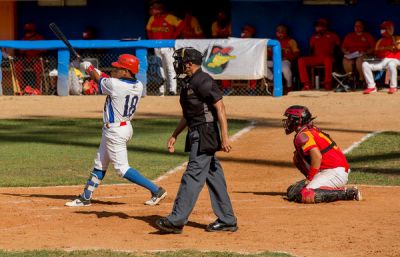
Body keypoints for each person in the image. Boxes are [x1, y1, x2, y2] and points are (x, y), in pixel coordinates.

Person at [65, 54, 167, 207]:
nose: (115, 69)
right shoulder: (138, 85)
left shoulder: (115, 85)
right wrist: (91, 68)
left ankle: (156, 190)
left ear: (126, 71)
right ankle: (85, 197)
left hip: (115, 131)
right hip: (122, 128)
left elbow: (100, 79)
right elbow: (106, 79)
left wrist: (89, 67)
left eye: (119, 68)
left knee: (122, 169)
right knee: (100, 163)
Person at [155, 47, 237, 234]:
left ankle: (176, 221)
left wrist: (225, 137)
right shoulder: (189, 82)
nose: (178, 64)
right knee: (214, 176)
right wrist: (175, 134)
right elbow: (188, 115)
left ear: (189, 63)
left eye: (180, 61)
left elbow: (220, 108)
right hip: (197, 132)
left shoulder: (203, 80)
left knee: (192, 175)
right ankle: (227, 220)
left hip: (204, 134)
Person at [283, 105, 362, 204]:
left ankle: (348, 193)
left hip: (335, 172)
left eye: (289, 118)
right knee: (297, 161)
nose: (287, 122)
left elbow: (317, 156)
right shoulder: (308, 131)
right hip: (329, 171)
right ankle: (322, 185)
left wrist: (309, 179)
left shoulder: (303, 136)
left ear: (298, 120)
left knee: (306, 194)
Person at [146, 0, 184, 96]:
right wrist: (152, 41)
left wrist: (173, 37)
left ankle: (172, 90)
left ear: (159, 9)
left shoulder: (169, 17)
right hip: (157, 46)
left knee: (170, 68)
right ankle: (162, 90)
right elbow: (148, 29)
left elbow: (181, 24)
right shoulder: (152, 18)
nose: (151, 10)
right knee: (160, 68)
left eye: (153, 8)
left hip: (168, 46)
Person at [297, 18, 341, 91]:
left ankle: (328, 83)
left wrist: (335, 56)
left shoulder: (333, 35)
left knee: (328, 59)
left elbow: (339, 48)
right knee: (301, 60)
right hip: (317, 57)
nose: (318, 28)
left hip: (328, 57)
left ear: (325, 26)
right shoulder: (313, 37)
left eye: (320, 26)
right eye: (317, 26)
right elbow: (311, 50)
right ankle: (306, 84)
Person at [266, 24, 300, 94]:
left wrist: (287, 57)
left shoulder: (291, 41)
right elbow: (267, 53)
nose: (280, 33)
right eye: (278, 31)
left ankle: (289, 86)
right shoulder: (273, 41)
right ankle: (273, 78)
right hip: (273, 61)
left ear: (286, 32)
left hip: (284, 61)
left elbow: (296, 53)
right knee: (261, 64)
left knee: (286, 69)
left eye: (282, 31)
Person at [341, 19, 375, 86]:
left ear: (363, 26)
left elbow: (373, 48)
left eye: (359, 26)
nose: (357, 27)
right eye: (356, 26)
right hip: (352, 55)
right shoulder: (349, 36)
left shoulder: (367, 35)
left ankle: (361, 79)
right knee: (345, 60)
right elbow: (343, 48)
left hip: (363, 55)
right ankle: (350, 79)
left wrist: (366, 52)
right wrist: (346, 52)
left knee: (360, 60)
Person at [15, 22, 46, 90]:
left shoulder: (39, 38)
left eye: (29, 30)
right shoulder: (23, 39)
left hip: (37, 60)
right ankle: (21, 88)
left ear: (33, 30)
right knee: (17, 66)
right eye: (27, 30)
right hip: (26, 60)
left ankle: (38, 88)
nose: (28, 32)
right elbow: (20, 53)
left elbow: (44, 52)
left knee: (38, 67)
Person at [211, 10, 232, 95]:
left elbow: (230, 37)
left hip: (230, 49)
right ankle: (224, 88)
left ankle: (228, 88)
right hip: (219, 49)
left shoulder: (230, 24)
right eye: (219, 16)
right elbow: (214, 37)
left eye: (222, 16)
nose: (221, 18)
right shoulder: (215, 24)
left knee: (228, 67)